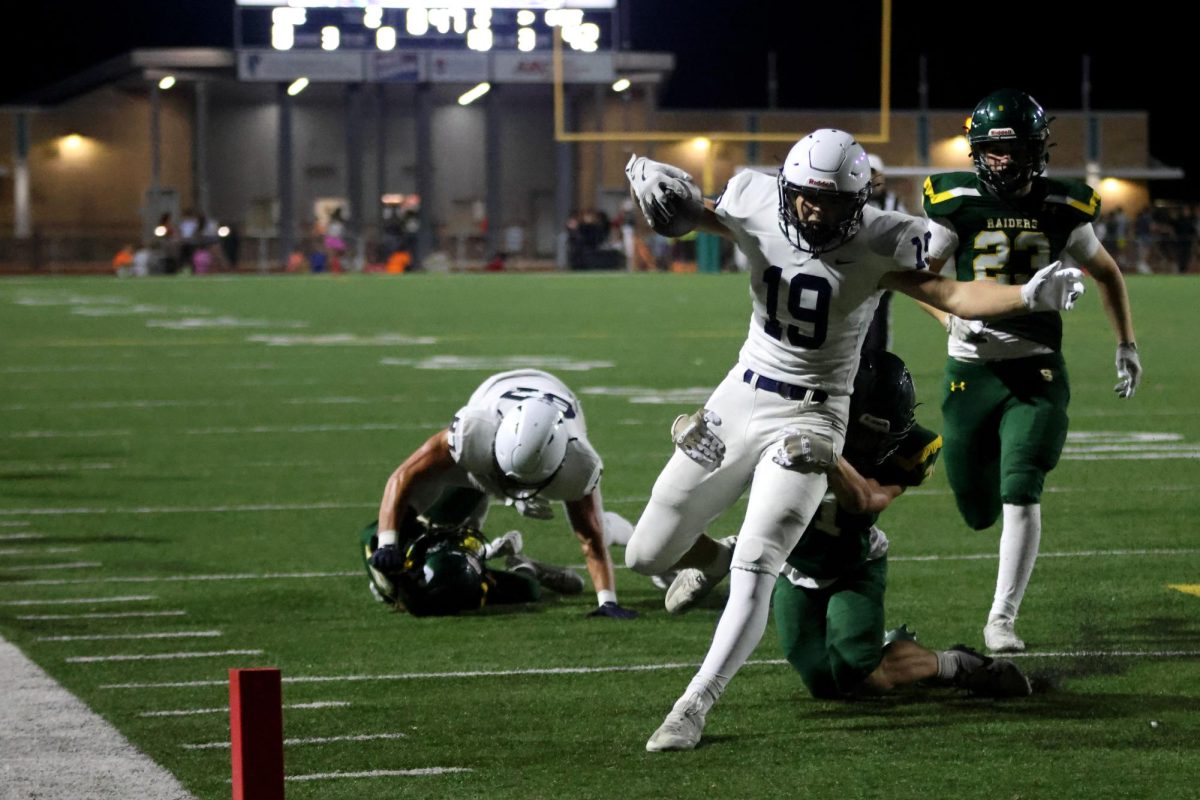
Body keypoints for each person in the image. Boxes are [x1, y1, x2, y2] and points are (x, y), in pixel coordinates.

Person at [622, 127, 1084, 752]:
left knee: (760, 562)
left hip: (813, 414)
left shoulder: (880, 238)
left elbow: (951, 292)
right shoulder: (756, 199)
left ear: (858, 200)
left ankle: (694, 702)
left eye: (833, 200)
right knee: (646, 555)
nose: (815, 210)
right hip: (741, 392)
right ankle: (707, 557)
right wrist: (656, 190)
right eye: (807, 196)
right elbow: (697, 218)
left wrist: (1025, 293)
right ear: (788, 189)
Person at [664, 351, 1033, 701]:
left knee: (860, 674)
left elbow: (867, 501)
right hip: (794, 566)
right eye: (870, 432)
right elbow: (729, 450)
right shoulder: (796, 420)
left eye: (889, 432)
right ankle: (728, 553)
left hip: (853, 564)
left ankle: (957, 664)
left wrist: (831, 460)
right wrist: (689, 434)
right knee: (825, 685)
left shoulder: (911, 448)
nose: (880, 443)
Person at [920, 89, 1142, 654]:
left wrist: (1127, 343)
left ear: (1037, 148)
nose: (1001, 162)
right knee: (975, 510)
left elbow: (1107, 272)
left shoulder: (1064, 206)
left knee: (1021, 487)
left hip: (1037, 371)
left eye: (1013, 150)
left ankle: (1001, 618)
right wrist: (950, 320)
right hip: (970, 372)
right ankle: (993, 529)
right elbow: (917, 278)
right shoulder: (956, 201)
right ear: (976, 152)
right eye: (992, 152)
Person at [371, 369, 639, 619]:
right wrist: (387, 542)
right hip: (494, 392)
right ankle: (458, 542)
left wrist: (607, 600)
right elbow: (404, 476)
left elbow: (590, 536)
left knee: (598, 523)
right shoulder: (472, 433)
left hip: (554, 403)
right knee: (436, 513)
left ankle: (638, 538)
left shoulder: (577, 464)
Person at [360, 515, 584, 617]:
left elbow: (372, 534)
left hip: (435, 564)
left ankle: (487, 551)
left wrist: (388, 552)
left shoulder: (406, 551)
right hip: (449, 576)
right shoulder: (466, 588)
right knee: (529, 589)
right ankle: (522, 564)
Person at [861, 154, 907, 357]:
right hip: (855, 271)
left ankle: (878, 364)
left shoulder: (893, 202)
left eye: (875, 174)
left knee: (878, 324)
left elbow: (907, 231)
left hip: (883, 271)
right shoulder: (853, 201)